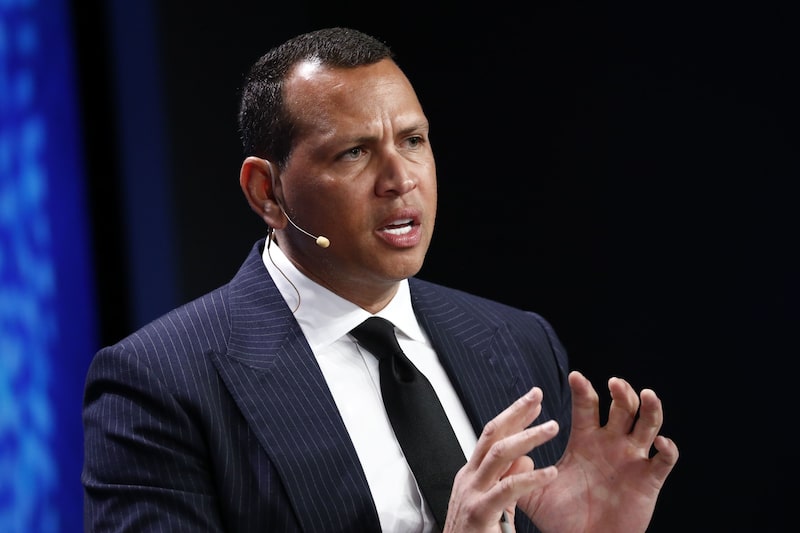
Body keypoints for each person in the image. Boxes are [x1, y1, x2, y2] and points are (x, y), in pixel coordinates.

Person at [81, 27, 678, 533]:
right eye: (354, 153)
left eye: (413, 141)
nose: (401, 179)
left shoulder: (517, 340)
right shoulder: (159, 382)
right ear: (267, 190)